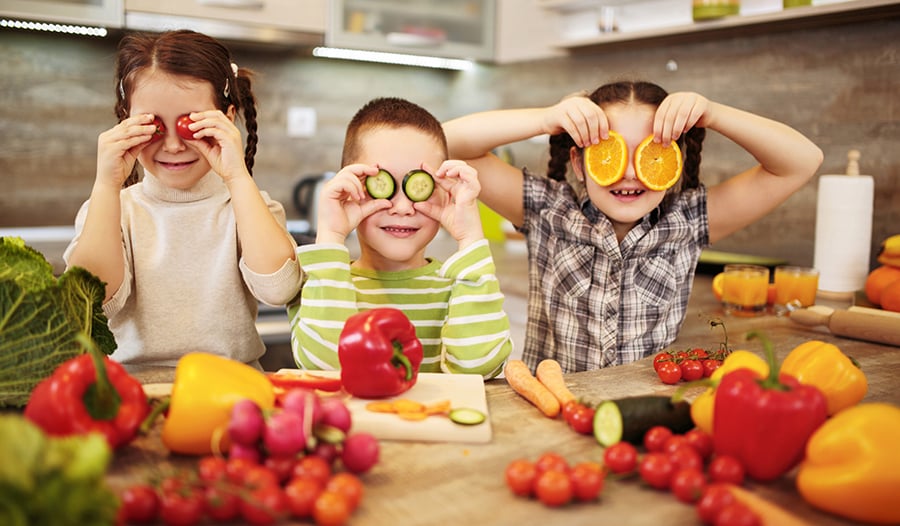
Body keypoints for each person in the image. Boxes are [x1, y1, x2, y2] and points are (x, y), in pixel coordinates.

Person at [443, 81, 824, 373]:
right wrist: (545, 118)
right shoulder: (547, 208)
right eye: (610, 152)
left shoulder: (688, 220)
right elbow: (445, 141)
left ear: (672, 160)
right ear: (579, 163)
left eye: (650, 152)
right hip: (551, 409)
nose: (628, 173)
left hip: (646, 415)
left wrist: (714, 113)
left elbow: (802, 160)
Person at [64, 30, 300, 371]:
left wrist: (237, 177)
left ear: (227, 119)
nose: (173, 146)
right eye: (153, 125)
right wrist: (106, 184)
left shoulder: (250, 207)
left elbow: (278, 289)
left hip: (233, 391)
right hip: (132, 397)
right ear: (126, 120)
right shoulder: (110, 210)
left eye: (191, 125)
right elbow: (89, 305)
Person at [288, 97, 512, 378]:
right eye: (382, 184)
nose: (403, 207)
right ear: (351, 186)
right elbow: (324, 368)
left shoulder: (463, 283)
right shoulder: (322, 281)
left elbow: (479, 368)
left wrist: (470, 238)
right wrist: (331, 235)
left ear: (444, 188)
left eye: (419, 184)